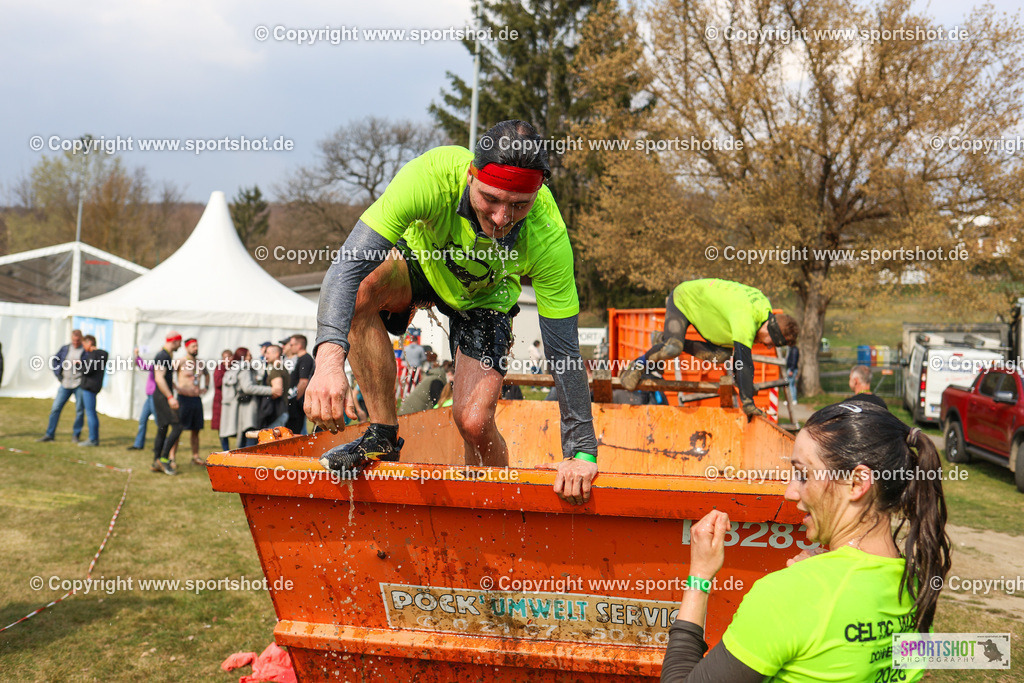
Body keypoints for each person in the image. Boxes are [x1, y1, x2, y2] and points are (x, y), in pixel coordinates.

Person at [306, 120, 598, 505]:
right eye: (490, 199)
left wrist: (581, 452)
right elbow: (346, 267)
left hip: (487, 298)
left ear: (537, 193)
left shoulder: (548, 234)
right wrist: (328, 363)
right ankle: (382, 434)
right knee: (361, 288)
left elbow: (563, 351)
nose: (501, 218)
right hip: (422, 265)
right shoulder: (430, 177)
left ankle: (495, 511)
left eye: (519, 205)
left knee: (474, 423)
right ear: (471, 176)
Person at [660, 402, 951, 681]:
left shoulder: (788, 595)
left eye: (803, 474)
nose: (790, 492)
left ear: (857, 483)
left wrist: (700, 576)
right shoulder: (917, 586)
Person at [620, 279, 799, 419]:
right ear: (770, 329)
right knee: (673, 348)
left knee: (719, 356)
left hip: (705, 310)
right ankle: (637, 365)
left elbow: (739, 361)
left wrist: (743, 383)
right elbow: (743, 361)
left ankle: (663, 339)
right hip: (684, 298)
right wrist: (748, 403)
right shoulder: (746, 318)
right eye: (771, 342)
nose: (768, 346)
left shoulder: (764, 308)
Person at [220, 348, 275, 449]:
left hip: (240, 406)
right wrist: (271, 390)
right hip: (247, 407)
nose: (251, 357)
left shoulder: (234, 368)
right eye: (249, 355)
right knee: (249, 435)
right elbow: (248, 388)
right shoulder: (244, 369)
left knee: (244, 436)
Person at [38, 329, 86, 443]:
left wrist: (81, 366)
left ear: (81, 339)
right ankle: (49, 434)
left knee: (79, 410)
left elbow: (89, 365)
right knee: (55, 408)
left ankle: (76, 435)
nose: (75, 342)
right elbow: (55, 360)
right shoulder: (65, 348)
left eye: (78, 341)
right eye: (74, 340)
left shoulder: (85, 351)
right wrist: (58, 375)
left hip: (78, 384)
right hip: (65, 383)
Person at [152, 332, 183, 475]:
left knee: (163, 428)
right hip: (162, 397)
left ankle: (156, 461)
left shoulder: (166, 355)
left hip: (161, 396)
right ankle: (164, 459)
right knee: (177, 426)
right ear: (174, 341)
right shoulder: (162, 356)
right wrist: (170, 397)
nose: (180, 346)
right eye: (179, 342)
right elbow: (159, 378)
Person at [174, 338, 209, 466]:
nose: (196, 348)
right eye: (193, 346)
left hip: (196, 399)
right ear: (187, 347)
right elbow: (167, 374)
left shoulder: (200, 363)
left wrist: (206, 387)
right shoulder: (180, 361)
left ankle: (195, 456)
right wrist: (175, 387)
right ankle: (172, 457)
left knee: (196, 429)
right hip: (184, 399)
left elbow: (207, 375)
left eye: (197, 346)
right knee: (178, 429)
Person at [76, 335, 107, 446]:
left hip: (89, 387)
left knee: (90, 413)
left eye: (84, 344)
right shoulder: (102, 354)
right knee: (91, 412)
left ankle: (93, 439)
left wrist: (79, 366)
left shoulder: (93, 355)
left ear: (89, 343)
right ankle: (93, 438)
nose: (84, 347)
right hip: (94, 386)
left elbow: (88, 370)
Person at [284, 335, 315, 434]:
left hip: (297, 403)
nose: (290, 347)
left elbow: (303, 382)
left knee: (294, 432)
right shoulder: (300, 358)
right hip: (295, 401)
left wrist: (294, 399)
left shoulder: (305, 359)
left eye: (291, 345)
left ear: (299, 345)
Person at [127, 349, 157, 451]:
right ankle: (138, 444)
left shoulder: (158, 367)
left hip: (155, 397)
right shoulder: (155, 366)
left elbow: (143, 366)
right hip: (150, 397)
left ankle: (161, 445)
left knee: (159, 423)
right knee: (143, 420)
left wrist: (137, 355)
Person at [258, 344, 290, 429]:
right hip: (281, 411)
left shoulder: (276, 369)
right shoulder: (282, 367)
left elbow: (277, 391)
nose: (265, 356)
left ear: (276, 354)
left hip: (277, 412)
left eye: (268, 353)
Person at [211, 349, 233, 451]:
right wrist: (228, 377)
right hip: (220, 401)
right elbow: (218, 382)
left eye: (229, 357)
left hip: (231, 401)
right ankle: (225, 449)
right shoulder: (219, 369)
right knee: (221, 426)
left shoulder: (235, 368)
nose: (227, 360)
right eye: (225, 358)